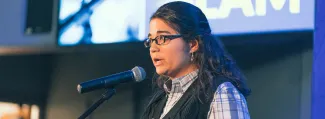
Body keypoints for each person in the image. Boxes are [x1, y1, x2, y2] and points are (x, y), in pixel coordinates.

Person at [142, 1, 251, 119]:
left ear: (192, 44)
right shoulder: (159, 101)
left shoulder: (222, 93)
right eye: (150, 40)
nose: (153, 48)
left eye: (162, 38)